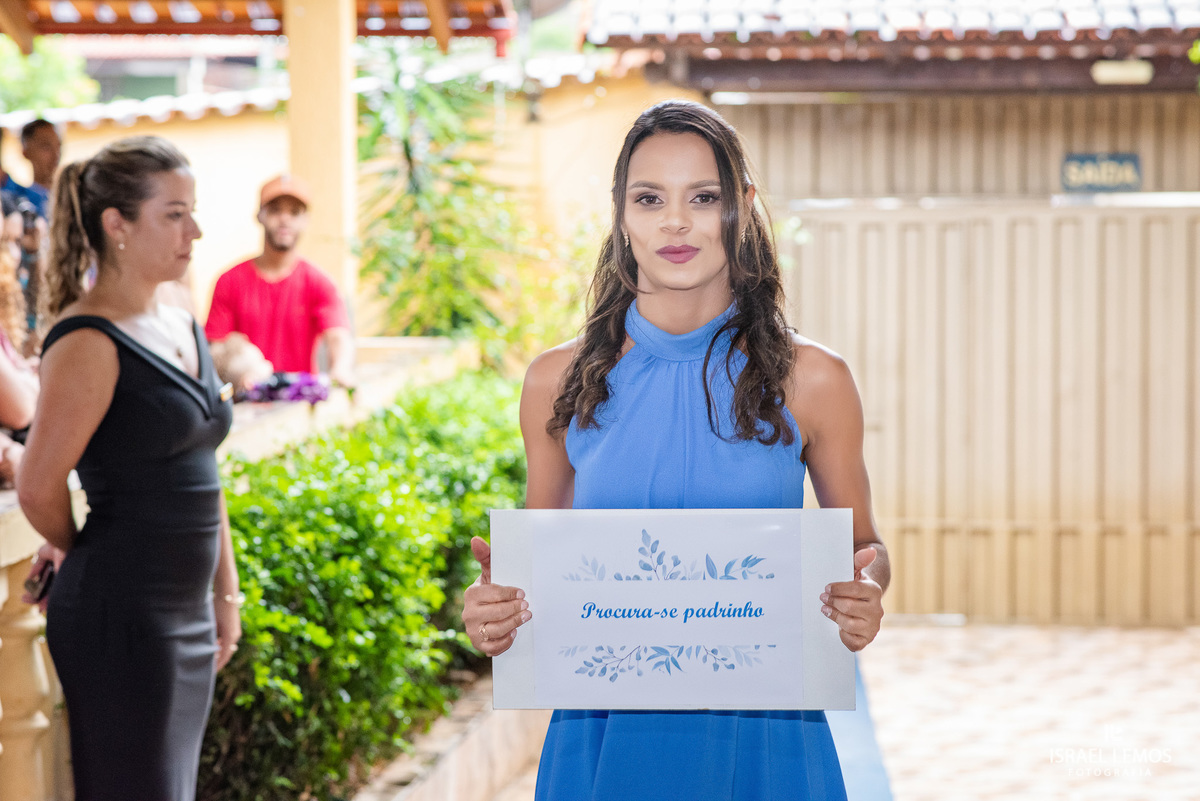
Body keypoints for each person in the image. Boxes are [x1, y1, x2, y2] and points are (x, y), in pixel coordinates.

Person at [461, 100, 889, 800]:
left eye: (704, 197)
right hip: (602, 740)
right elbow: (533, 575)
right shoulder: (555, 382)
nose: (676, 222)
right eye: (650, 198)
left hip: (769, 734)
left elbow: (866, 549)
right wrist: (494, 607)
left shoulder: (814, 379)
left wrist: (865, 591)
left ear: (743, 207)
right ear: (621, 214)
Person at [16, 135, 241, 801]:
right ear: (117, 224)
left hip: (185, 611)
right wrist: (79, 545)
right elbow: (36, 484)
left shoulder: (179, 316)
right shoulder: (87, 340)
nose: (194, 231)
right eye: (174, 214)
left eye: (192, 211)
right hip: (123, 612)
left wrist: (226, 593)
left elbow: (204, 473)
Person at [204, 174, 355, 387]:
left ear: (306, 220)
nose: (285, 219)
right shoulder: (229, 282)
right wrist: (241, 372)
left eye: (294, 213)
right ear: (259, 215)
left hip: (301, 401)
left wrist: (341, 368)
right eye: (275, 210)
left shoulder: (320, 283)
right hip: (245, 404)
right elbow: (215, 348)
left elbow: (338, 337)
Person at [20, 119, 62, 218]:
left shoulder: (72, 197)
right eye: (46, 146)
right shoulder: (20, 201)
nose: (56, 155)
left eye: (59, 146)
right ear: (26, 153)